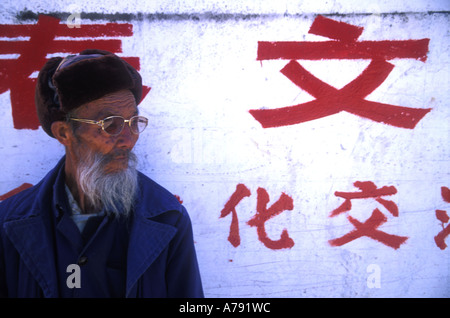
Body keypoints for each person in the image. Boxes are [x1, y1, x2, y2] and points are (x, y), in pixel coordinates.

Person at [0, 49, 204, 297]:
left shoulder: (167, 219)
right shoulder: (9, 224)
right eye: (110, 125)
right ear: (64, 133)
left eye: (133, 123)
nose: (128, 141)